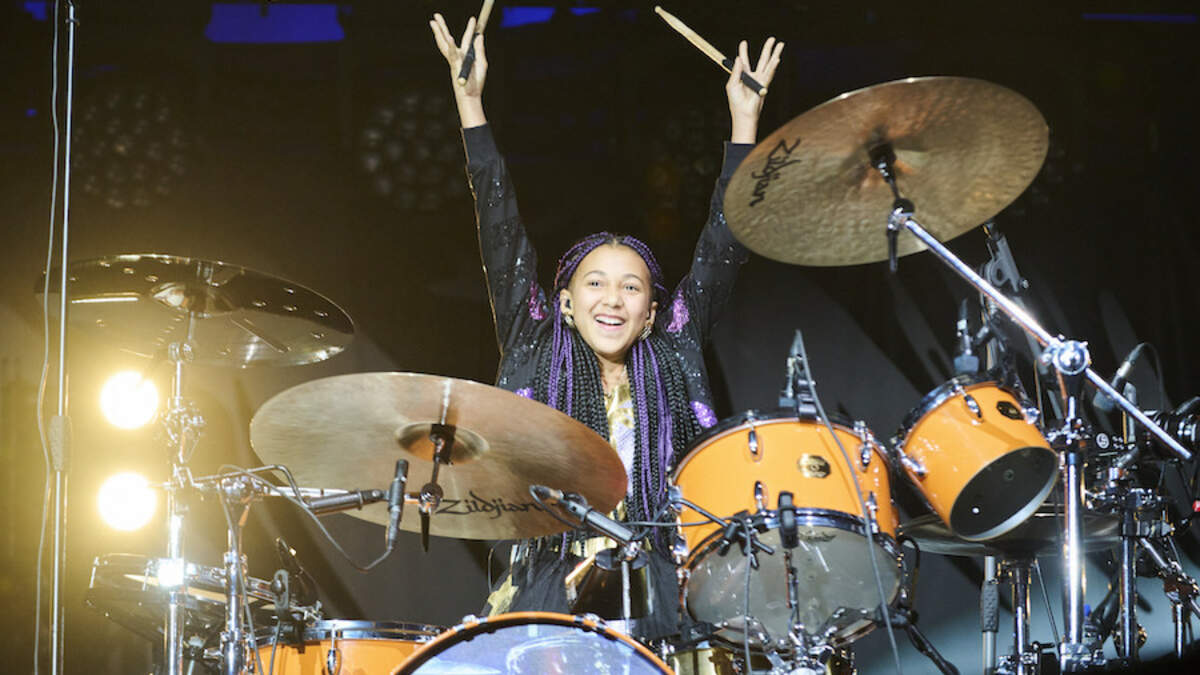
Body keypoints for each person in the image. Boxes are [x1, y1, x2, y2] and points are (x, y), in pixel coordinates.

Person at [430, 12, 783, 640]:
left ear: (652, 314)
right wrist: (471, 105)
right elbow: (499, 228)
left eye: (631, 287)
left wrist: (744, 123)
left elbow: (722, 246)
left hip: (659, 579)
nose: (612, 299)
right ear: (564, 303)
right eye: (594, 283)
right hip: (551, 580)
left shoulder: (674, 347)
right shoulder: (536, 342)